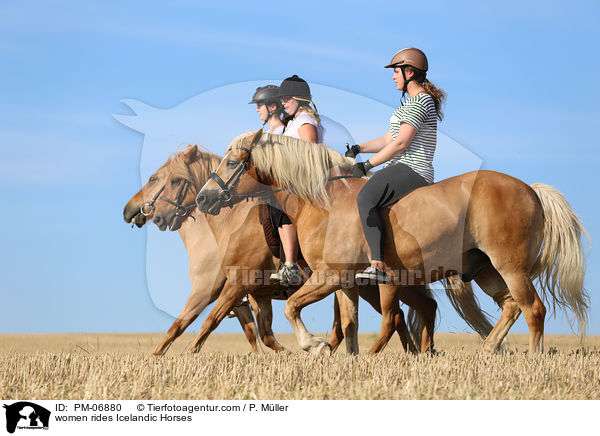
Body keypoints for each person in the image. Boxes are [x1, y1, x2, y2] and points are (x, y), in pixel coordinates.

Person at [345, 48, 446, 283]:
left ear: (409, 72)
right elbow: (387, 139)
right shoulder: (410, 103)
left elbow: (400, 144)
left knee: (365, 197)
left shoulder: (420, 102)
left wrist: (366, 166)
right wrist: (357, 149)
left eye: (396, 72)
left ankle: (378, 264)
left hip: (413, 168)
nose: (393, 76)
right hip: (402, 166)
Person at [269, 75, 324, 286]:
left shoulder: (304, 121)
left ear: (299, 99)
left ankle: (290, 265)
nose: (283, 103)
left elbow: (312, 150)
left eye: (287, 98)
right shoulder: (293, 122)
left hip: (305, 182)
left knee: (279, 208)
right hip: (293, 179)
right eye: (282, 99)